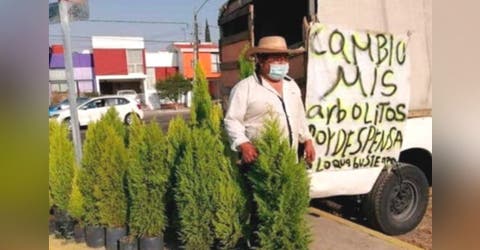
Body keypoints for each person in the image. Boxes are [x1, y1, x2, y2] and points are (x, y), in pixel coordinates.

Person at [224, 35, 316, 164]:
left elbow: (299, 116)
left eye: (284, 59)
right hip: (260, 162)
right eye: (276, 59)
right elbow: (232, 121)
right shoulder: (245, 88)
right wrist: (243, 144)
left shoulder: (292, 86)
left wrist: (307, 140)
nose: (282, 63)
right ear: (261, 61)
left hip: (290, 161)